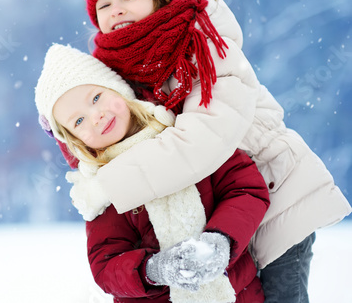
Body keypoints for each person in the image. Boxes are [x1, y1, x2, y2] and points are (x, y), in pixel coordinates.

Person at [52, 0, 352, 302]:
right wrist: (60, 123)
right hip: (220, 202)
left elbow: (204, 139)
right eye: (104, 4)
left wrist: (106, 186)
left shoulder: (204, 41)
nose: (117, 9)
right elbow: (101, 130)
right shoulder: (116, 69)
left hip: (272, 193)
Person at [35, 43, 270, 302]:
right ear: (75, 140)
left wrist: (222, 239)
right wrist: (154, 269)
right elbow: (106, 266)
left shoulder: (187, 135)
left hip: (237, 293)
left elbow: (245, 188)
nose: (96, 116)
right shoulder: (101, 188)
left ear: (119, 90)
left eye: (96, 98)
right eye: (78, 121)